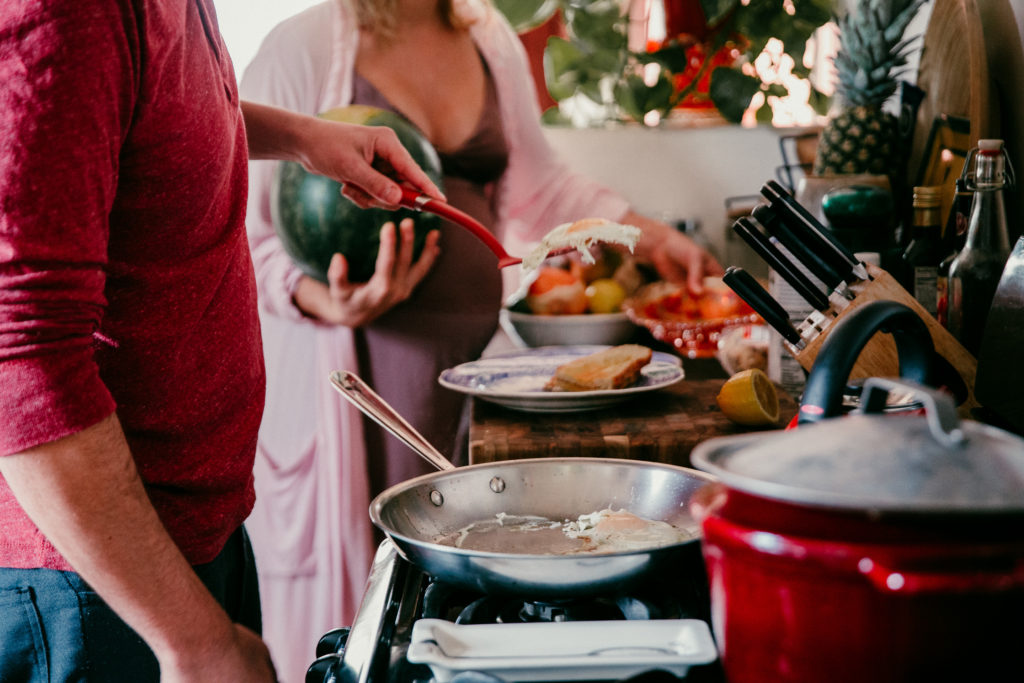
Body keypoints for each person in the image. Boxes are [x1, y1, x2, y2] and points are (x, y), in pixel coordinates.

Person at [240, 1, 724, 680]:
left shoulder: (486, 36)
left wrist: (652, 235)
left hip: (471, 380)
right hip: (357, 390)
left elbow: (543, 185)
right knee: (372, 616)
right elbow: (244, 224)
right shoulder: (302, 47)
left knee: (453, 610)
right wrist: (323, 297)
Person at [0, 1, 442, 681]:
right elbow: (21, 364)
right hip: (97, 584)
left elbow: (144, 106)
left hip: (189, 535)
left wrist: (300, 137)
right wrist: (193, 640)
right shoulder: (66, 13)